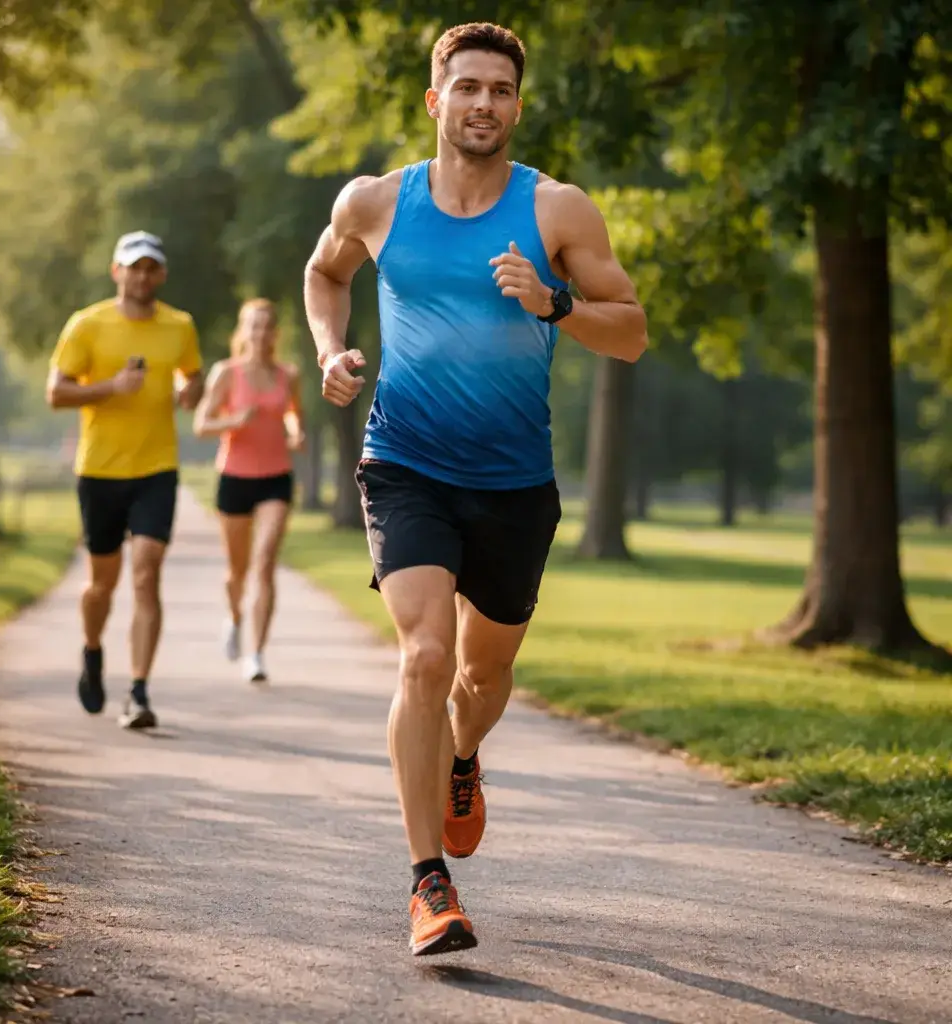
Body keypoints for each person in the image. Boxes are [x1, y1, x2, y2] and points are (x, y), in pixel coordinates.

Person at [304, 22, 648, 956]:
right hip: (404, 462)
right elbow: (323, 272)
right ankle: (428, 886)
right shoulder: (376, 202)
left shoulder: (559, 212)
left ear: (517, 106)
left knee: (481, 675)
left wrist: (556, 304)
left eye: (500, 90)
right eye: (467, 88)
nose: (483, 103)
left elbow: (633, 330)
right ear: (435, 100)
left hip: (513, 483)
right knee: (423, 655)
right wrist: (333, 351)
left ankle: (463, 757)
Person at [47, 231, 204, 730]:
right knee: (100, 585)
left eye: (150, 267)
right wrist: (111, 388)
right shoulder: (87, 325)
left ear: (161, 274)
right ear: (117, 272)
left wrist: (190, 388)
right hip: (100, 469)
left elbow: (191, 376)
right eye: (132, 267)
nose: (141, 275)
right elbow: (56, 392)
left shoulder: (179, 326)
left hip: (157, 467)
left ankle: (138, 691)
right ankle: (93, 651)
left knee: (147, 570)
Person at [192, 298, 305, 683]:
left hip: (276, 476)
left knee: (265, 561)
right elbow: (200, 424)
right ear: (242, 332)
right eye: (252, 325)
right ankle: (235, 617)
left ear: (275, 333)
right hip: (235, 477)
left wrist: (296, 432)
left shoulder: (288, 375)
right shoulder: (226, 373)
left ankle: (256, 654)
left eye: (266, 326)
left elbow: (293, 412)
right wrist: (234, 420)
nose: (259, 333)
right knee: (236, 572)